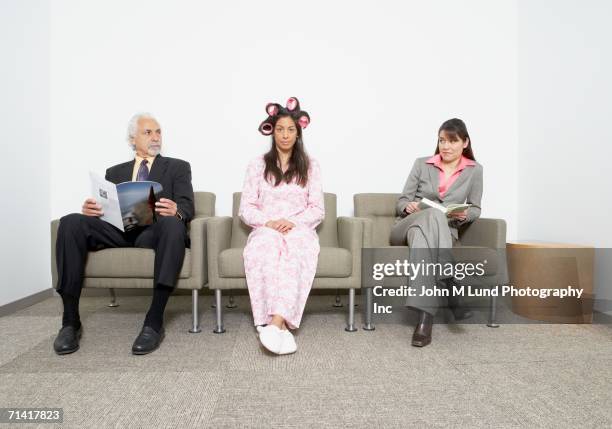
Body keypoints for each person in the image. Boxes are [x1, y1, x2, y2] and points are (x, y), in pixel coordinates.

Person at [53, 112, 195, 355]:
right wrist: (92, 210)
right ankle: (70, 321)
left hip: (153, 230)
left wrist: (177, 211)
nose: (155, 137)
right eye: (147, 132)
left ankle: (154, 321)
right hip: (119, 230)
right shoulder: (115, 171)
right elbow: (107, 205)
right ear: (132, 139)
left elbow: (187, 206)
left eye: (158, 131)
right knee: (70, 222)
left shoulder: (177, 167)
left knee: (174, 225)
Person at [239, 97, 324, 355]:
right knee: (264, 246)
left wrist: (293, 222)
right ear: (271, 131)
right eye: (279, 129)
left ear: (298, 132)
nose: (285, 135)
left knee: (295, 250)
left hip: (299, 228)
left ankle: (274, 322)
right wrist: (269, 222)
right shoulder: (257, 165)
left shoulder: (311, 166)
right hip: (267, 227)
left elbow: (318, 209)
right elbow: (246, 207)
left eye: (290, 130)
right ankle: (280, 327)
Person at [390, 118, 483, 347]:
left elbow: (476, 208)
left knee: (430, 228)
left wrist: (464, 215)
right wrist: (408, 206)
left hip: (438, 232)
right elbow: (401, 201)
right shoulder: (422, 164)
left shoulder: (474, 170)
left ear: (465, 142)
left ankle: (425, 319)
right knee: (432, 213)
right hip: (407, 225)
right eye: (442, 140)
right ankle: (449, 283)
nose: (446, 146)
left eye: (453, 141)